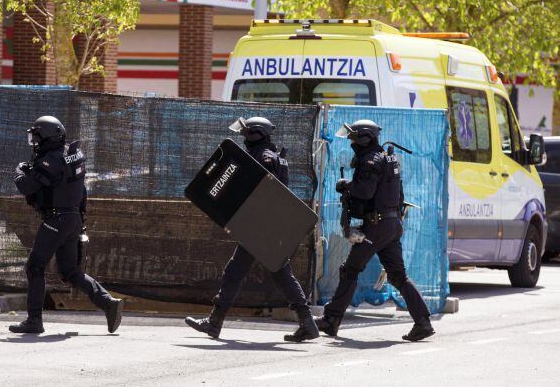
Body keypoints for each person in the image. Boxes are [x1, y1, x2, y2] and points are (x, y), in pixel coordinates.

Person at [185, 117, 319, 342]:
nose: (244, 139)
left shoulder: (264, 158)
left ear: (255, 134)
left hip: (260, 226)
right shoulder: (272, 157)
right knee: (278, 274)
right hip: (264, 225)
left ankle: (215, 322)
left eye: (246, 134)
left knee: (239, 272)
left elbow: (266, 193)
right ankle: (307, 323)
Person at [315, 119, 435, 342]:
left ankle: (331, 320)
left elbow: (365, 191)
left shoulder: (370, 161)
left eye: (353, 138)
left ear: (364, 138)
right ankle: (423, 322)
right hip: (391, 224)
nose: (351, 142)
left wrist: (346, 185)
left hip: (377, 226)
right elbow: (398, 195)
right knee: (398, 276)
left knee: (350, 270)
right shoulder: (389, 159)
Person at [10, 116, 123, 334]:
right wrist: (81, 221)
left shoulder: (51, 161)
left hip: (56, 219)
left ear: (47, 137)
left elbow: (27, 186)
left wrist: (20, 171)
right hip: (72, 218)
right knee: (70, 271)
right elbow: (82, 191)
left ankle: (34, 320)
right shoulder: (71, 155)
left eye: (37, 136)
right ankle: (109, 303)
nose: (34, 141)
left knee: (34, 267)